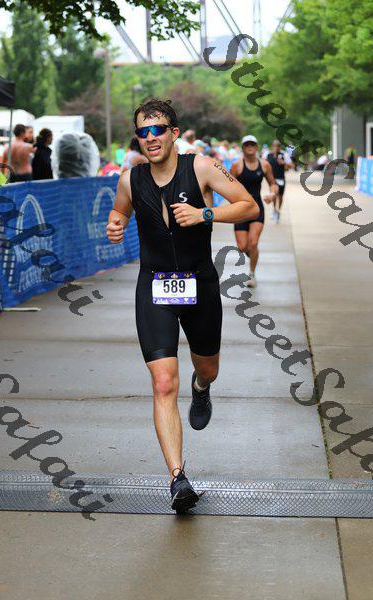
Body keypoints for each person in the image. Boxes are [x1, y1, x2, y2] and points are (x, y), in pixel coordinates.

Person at [106, 99, 258, 513]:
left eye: (158, 129)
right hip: (154, 287)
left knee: (208, 368)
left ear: (174, 132)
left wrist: (204, 213)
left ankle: (202, 388)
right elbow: (119, 213)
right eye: (143, 131)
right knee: (162, 383)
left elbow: (249, 205)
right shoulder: (130, 179)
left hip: (199, 285)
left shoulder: (202, 167)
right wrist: (115, 225)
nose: (151, 137)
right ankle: (178, 478)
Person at [230, 135, 278, 288]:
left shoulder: (264, 165)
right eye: (246, 145)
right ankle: (254, 255)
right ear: (243, 148)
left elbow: (273, 184)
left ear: (257, 147)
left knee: (253, 242)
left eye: (252, 144)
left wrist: (272, 194)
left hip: (257, 209)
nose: (249, 147)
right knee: (242, 247)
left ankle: (252, 273)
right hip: (240, 210)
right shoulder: (237, 166)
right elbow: (227, 186)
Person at [266, 139, 293, 223]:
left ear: (280, 147)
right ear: (272, 146)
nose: (276, 148)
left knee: (280, 197)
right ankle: (274, 210)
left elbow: (291, 165)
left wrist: (284, 163)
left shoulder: (284, 155)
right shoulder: (268, 155)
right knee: (273, 195)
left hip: (281, 179)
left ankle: (278, 211)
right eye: (274, 146)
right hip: (272, 180)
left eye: (278, 146)